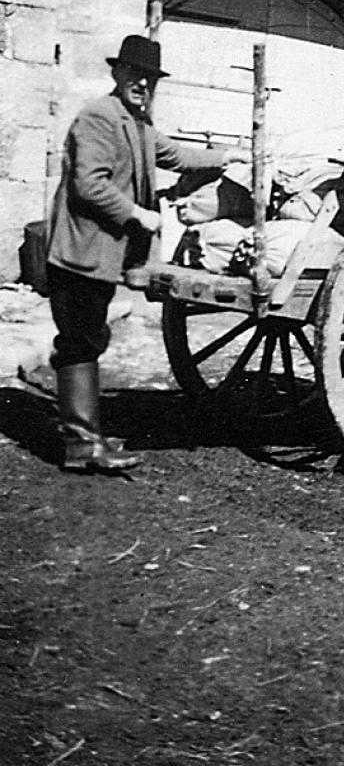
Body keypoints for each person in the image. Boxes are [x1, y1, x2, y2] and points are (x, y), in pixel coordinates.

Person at [46, 34, 247, 475]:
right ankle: (81, 446)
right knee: (80, 339)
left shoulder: (136, 123)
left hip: (98, 253)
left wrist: (228, 157)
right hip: (80, 251)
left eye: (150, 78)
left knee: (89, 337)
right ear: (117, 73)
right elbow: (89, 184)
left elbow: (174, 155)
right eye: (135, 74)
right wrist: (138, 214)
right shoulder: (98, 117)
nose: (142, 84)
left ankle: (87, 434)